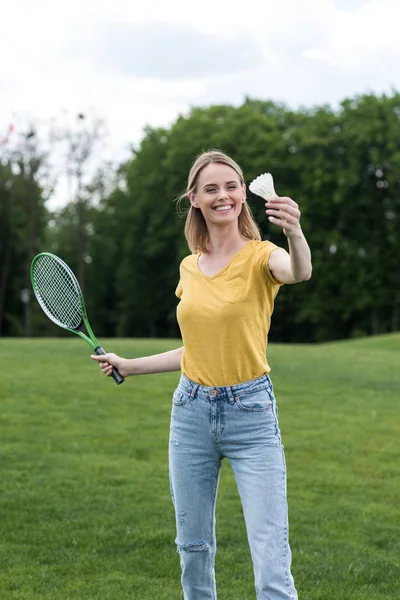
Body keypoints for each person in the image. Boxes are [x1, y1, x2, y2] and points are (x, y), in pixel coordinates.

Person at [91, 150, 312, 600]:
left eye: (231, 186)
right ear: (194, 198)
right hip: (191, 413)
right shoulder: (189, 266)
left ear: (243, 194)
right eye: (210, 188)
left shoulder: (262, 256)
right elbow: (198, 348)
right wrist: (131, 366)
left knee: (271, 556)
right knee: (193, 550)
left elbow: (299, 272)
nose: (223, 195)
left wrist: (295, 232)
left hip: (252, 414)